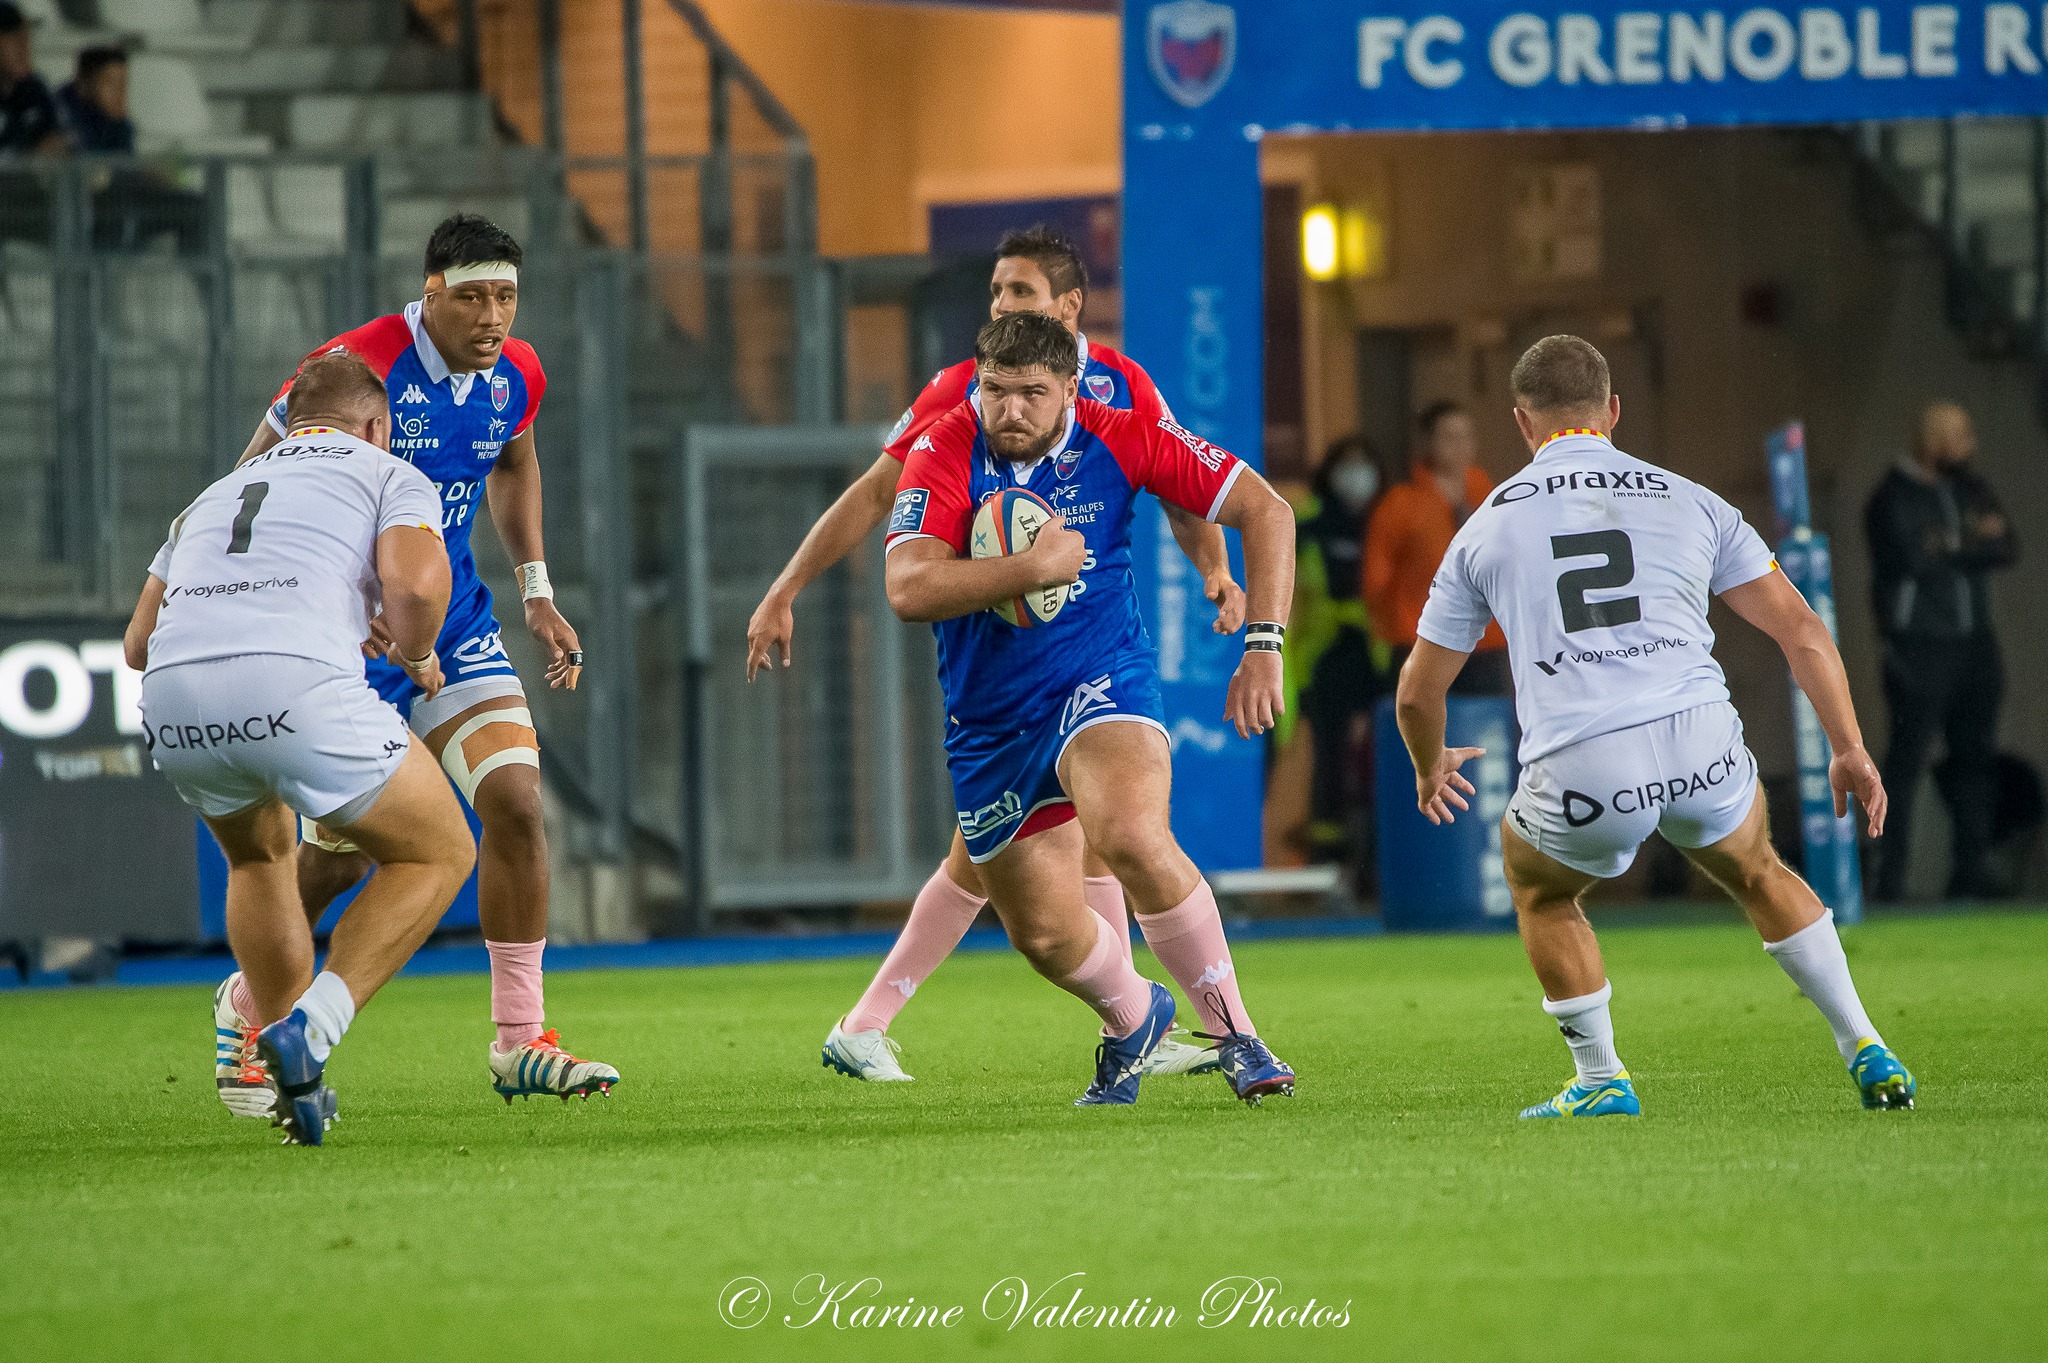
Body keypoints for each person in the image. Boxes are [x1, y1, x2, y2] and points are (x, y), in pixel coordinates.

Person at [748, 226, 1242, 1083]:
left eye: (1018, 294)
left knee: (1082, 835)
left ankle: (1130, 1021)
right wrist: (787, 584)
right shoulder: (958, 394)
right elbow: (875, 495)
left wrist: (1216, 570)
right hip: (994, 670)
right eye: (996, 296)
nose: (1001, 309)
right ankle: (1124, 1018)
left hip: (1085, 659)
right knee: (1002, 855)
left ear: (1069, 308)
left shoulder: (1123, 388)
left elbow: (1180, 486)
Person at [1396, 335, 1915, 1118]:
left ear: (1522, 423)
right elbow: (1802, 630)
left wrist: (1429, 763)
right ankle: (1863, 1040)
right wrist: (1848, 746)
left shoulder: (1485, 525)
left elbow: (1416, 691)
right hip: (1698, 736)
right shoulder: (1693, 498)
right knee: (1759, 869)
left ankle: (1601, 1076)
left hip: (1583, 760)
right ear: (1612, 411)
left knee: (1540, 888)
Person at [210, 213, 620, 1114]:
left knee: (514, 798)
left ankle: (520, 1040)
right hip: (349, 633)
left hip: (451, 615)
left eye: (506, 296)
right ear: (429, 293)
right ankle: (247, 1000)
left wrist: (538, 588)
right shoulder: (358, 367)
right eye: (472, 296)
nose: (492, 316)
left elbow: (514, 462)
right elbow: (254, 476)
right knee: (339, 861)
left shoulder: (519, 373)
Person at [885, 311, 1298, 1106]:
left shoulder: (1124, 435)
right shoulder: (942, 447)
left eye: (1030, 394)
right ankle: (1135, 1016)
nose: (1008, 410)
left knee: (1131, 835)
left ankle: (1238, 1034)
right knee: (1043, 934)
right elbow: (907, 589)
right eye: (994, 391)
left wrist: (1264, 643)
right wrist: (1027, 565)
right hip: (990, 720)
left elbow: (1267, 510)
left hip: (1101, 678)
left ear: (1070, 389)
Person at [124, 351, 477, 1145]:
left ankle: (289, 1071)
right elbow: (417, 590)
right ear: (375, 425)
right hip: (293, 686)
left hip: (175, 701)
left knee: (258, 859)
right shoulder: (388, 472)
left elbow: (137, 642)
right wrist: (417, 654)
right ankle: (308, 1028)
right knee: (438, 851)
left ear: (287, 421)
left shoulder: (212, 496)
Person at [1863, 402, 2019, 900]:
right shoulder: (1892, 495)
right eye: (1961, 435)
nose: (1970, 446)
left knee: (1975, 757)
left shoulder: (1971, 489)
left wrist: (1948, 544)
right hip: (1919, 647)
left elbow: (2007, 545)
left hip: (1975, 645)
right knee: (1905, 763)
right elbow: (1911, 557)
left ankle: (1970, 869)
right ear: (1933, 440)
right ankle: (1889, 880)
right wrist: (1970, 542)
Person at [1288, 434, 1389, 866]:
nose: (1355, 476)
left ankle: (1375, 864)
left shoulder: (1384, 524)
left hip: (1380, 659)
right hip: (1323, 660)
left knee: (1380, 764)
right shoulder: (1308, 528)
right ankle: (1327, 863)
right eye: (1345, 465)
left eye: (1362, 465)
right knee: (1328, 763)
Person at [1366, 401, 1510, 695]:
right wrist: (1394, 629)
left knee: (1487, 735)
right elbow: (1376, 581)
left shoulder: (1492, 498)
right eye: (1449, 437)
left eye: (1465, 437)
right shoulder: (1401, 503)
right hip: (1421, 642)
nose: (1459, 446)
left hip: (1486, 646)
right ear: (1428, 443)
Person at [55, 44, 205, 254]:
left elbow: (121, 167)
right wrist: (134, 174)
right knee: (117, 207)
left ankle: (209, 282)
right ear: (84, 85)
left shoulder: (118, 121)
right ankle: (99, 284)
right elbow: (90, 176)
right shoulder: (59, 115)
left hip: (122, 199)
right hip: (77, 211)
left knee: (195, 206)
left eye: (124, 84)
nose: (121, 93)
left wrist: (149, 175)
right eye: (112, 84)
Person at [0, 1, 60, 245]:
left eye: (27, 38)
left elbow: (59, 143)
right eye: (15, 39)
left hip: (27, 205)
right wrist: (32, 158)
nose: (26, 48)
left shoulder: (33, 89)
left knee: (81, 220)